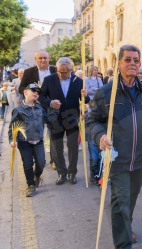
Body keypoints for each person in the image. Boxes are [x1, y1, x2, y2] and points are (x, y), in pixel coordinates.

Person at [88, 45, 142, 249]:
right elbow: (93, 121)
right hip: (119, 160)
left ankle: (126, 225)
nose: (132, 63)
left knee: (130, 200)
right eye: (127, 60)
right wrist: (100, 136)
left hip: (141, 159)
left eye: (136, 60)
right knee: (120, 201)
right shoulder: (106, 92)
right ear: (119, 64)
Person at [38, 57, 90, 185]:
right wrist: (50, 102)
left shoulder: (78, 81)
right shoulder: (49, 80)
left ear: (71, 70)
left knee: (72, 146)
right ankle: (61, 172)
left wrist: (85, 96)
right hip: (55, 118)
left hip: (72, 118)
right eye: (59, 71)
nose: (61, 74)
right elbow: (40, 96)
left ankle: (72, 173)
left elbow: (86, 100)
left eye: (64, 72)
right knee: (57, 148)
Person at [8, 84, 58, 196]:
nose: (36, 93)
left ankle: (37, 175)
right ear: (25, 92)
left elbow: (49, 120)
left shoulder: (40, 108)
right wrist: (12, 140)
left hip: (38, 141)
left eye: (38, 92)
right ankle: (31, 185)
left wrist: (55, 110)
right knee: (27, 164)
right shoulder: (18, 110)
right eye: (33, 91)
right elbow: (13, 127)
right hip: (24, 142)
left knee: (41, 163)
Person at [19, 50, 57, 168]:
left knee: (53, 133)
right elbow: (21, 88)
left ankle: (54, 160)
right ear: (36, 60)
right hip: (35, 107)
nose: (43, 60)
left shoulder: (54, 70)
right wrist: (32, 93)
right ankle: (37, 159)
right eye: (40, 58)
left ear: (49, 58)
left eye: (45, 58)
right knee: (36, 133)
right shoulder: (29, 72)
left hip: (51, 106)